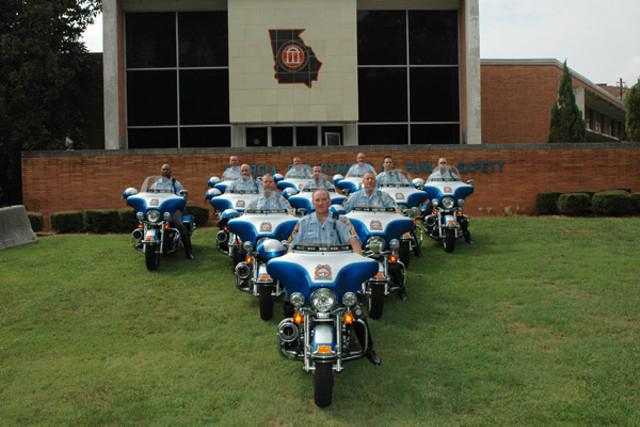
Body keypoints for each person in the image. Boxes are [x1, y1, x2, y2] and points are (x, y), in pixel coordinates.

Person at [287, 189, 380, 365]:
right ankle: (291, 339)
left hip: (338, 268)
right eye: (317, 200)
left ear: (329, 202)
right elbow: (291, 247)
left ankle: (369, 348)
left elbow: (354, 243)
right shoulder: (303, 222)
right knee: (292, 302)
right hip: (310, 269)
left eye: (324, 199)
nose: (321, 203)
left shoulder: (342, 221)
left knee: (354, 307)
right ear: (312, 203)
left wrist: (361, 263)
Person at [151, 164, 195, 260]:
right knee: (148, 222)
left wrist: (182, 198)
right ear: (161, 171)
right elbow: (150, 195)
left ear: (171, 171)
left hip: (173, 209)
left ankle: (189, 251)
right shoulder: (156, 184)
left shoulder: (176, 184)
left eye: (167, 169)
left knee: (179, 225)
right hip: (159, 209)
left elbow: (181, 196)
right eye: (163, 169)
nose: (165, 171)